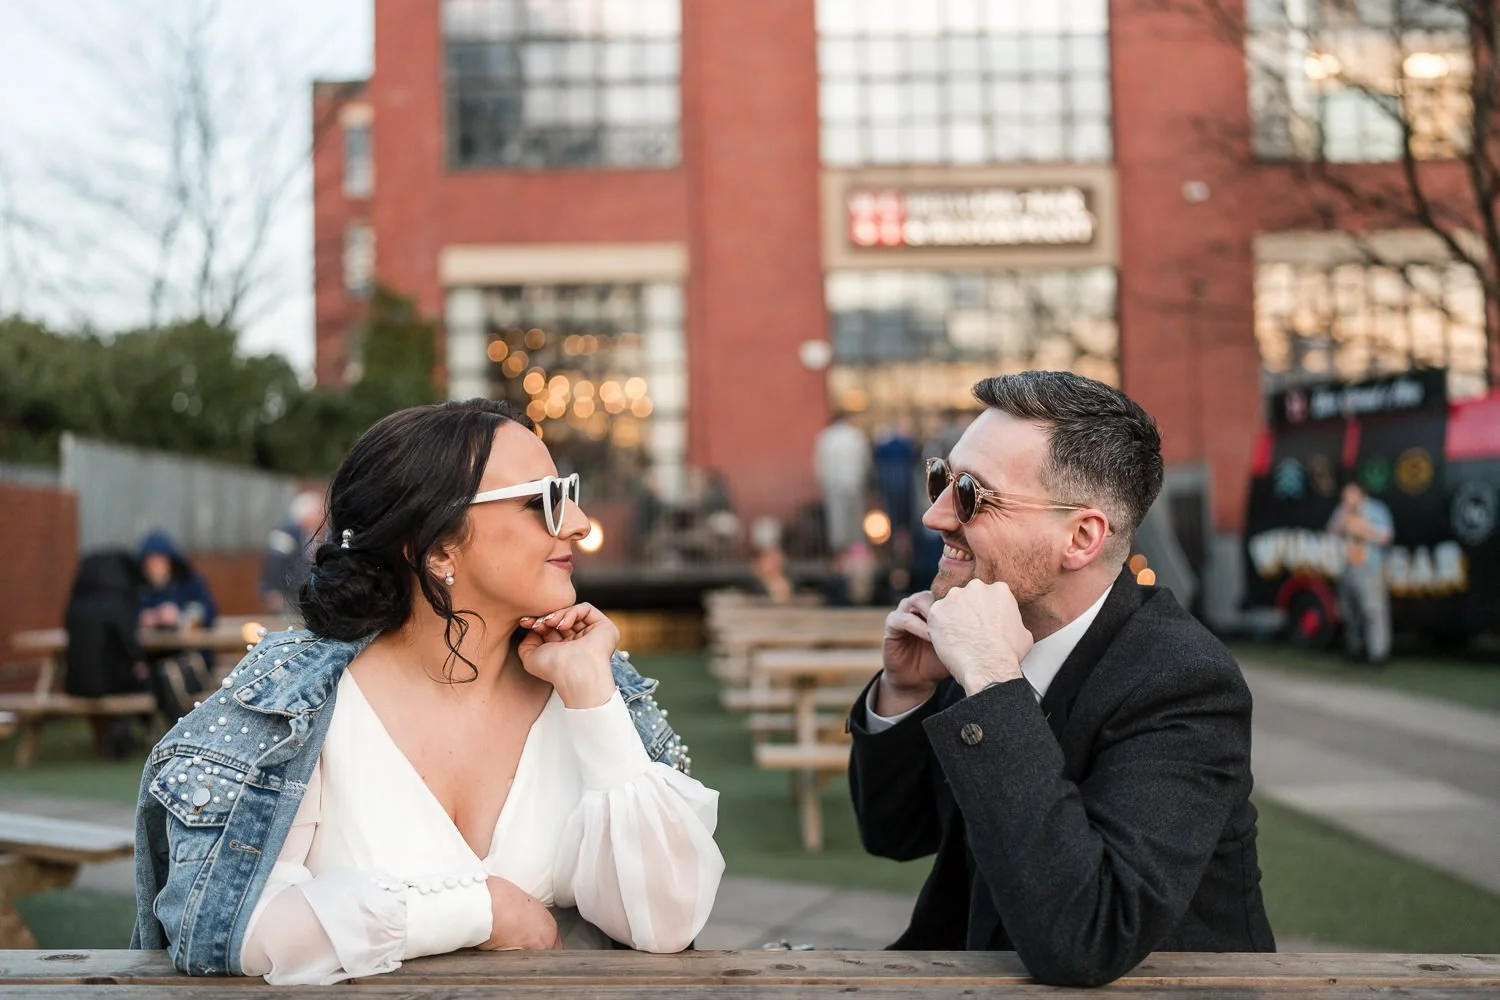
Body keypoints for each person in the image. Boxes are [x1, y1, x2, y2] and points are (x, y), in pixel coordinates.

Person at [132, 399, 724, 983]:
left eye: (568, 493)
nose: (577, 523)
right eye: (543, 501)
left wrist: (593, 696)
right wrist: (475, 913)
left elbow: (664, 924)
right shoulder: (297, 704)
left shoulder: (587, 692)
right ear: (439, 547)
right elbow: (224, 924)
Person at [847, 371, 1274, 987]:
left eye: (971, 493)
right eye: (941, 477)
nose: (935, 513)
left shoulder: (1185, 683)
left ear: (1080, 537)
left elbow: (1088, 936)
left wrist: (994, 686)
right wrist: (906, 692)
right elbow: (894, 832)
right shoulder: (987, 622)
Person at [63, 549, 148, 758]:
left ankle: (113, 735)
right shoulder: (117, 604)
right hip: (109, 685)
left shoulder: (75, 605)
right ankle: (140, 731)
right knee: (148, 677)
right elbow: (132, 649)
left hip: (74, 685)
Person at [136, 530, 220, 718]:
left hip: (189, 656)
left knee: (168, 679)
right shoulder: (139, 588)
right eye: (150, 562)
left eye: (159, 560)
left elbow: (208, 612)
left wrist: (181, 616)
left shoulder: (189, 582)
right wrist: (143, 618)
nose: (155, 567)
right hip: (153, 658)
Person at [1326, 481, 1395, 665]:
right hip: (1348, 567)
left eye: (1350, 495)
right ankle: (1354, 649)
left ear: (1361, 495)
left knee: (1373, 611)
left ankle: (1378, 654)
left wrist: (1364, 531)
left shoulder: (1376, 510)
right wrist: (1344, 518)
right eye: (1345, 496)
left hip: (1370, 567)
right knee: (1349, 612)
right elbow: (1331, 531)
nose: (1347, 499)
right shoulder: (1342, 511)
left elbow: (1387, 537)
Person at [813, 411, 870, 554]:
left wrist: (823, 482)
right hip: (854, 483)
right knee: (855, 519)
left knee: (837, 519)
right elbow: (865, 462)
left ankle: (840, 552)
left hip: (834, 484)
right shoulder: (855, 436)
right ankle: (857, 551)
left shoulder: (826, 437)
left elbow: (819, 464)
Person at [260, 491, 326, 615]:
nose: (321, 518)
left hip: (300, 594)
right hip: (287, 595)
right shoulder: (286, 531)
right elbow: (275, 561)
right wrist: (274, 590)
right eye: (318, 513)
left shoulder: (307, 532)